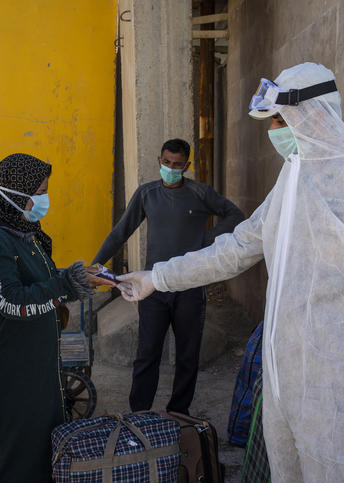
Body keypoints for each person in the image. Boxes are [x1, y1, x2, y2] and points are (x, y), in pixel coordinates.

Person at [117, 63, 344, 483]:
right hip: (284, 392)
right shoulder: (291, 179)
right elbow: (236, 248)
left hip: (343, 396)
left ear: (314, 115)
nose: (273, 131)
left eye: (279, 121)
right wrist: (157, 277)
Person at [0, 153, 94, 483]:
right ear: (15, 195)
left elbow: (43, 280)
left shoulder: (24, 232)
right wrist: (66, 287)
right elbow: (10, 302)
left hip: (36, 366)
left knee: (40, 455)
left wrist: (79, 278)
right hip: (9, 373)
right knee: (13, 460)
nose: (44, 199)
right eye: (39, 192)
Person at [92, 138, 244, 415]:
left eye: (177, 164)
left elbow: (234, 214)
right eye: (166, 162)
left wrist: (207, 240)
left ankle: (178, 413)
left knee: (188, 356)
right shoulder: (146, 194)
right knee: (147, 354)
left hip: (190, 287)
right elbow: (120, 232)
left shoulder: (200, 193)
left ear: (187, 165)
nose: (171, 168)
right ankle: (140, 415)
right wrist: (96, 263)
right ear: (158, 161)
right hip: (153, 287)